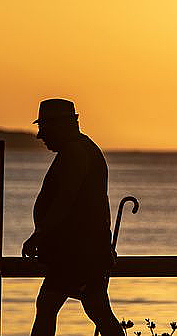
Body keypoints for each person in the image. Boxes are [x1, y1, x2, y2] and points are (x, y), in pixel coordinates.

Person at [22, 98, 123, 336]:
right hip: (81, 250)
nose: (39, 135)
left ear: (62, 125)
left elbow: (65, 200)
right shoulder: (76, 151)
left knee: (48, 305)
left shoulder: (76, 153)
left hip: (77, 252)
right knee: (96, 308)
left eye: (44, 128)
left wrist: (39, 234)